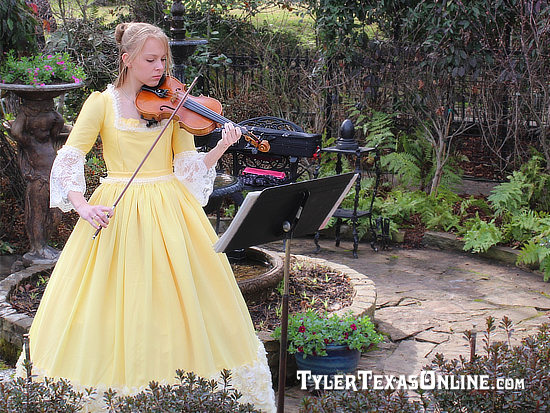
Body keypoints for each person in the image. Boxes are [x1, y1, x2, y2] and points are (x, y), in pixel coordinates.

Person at [16, 22, 276, 412]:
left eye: (163, 60)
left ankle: (189, 390)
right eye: (151, 60)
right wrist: (83, 206)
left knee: (184, 298)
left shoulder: (177, 104)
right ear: (128, 60)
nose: (160, 68)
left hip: (170, 207)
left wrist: (220, 147)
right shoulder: (101, 103)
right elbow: (70, 157)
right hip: (118, 209)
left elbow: (188, 168)